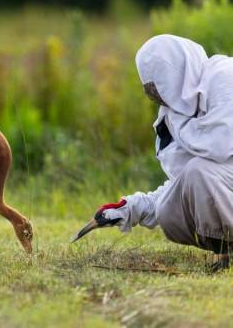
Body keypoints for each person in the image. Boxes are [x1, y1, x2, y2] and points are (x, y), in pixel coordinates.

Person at [73, 34, 233, 271]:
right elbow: (183, 185)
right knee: (167, 209)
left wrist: (178, 124)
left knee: (198, 172)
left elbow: (220, 145)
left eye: (160, 86)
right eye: (152, 90)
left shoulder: (224, 77)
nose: (158, 97)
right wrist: (131, 208)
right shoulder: (177, 116)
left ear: (178, 71)